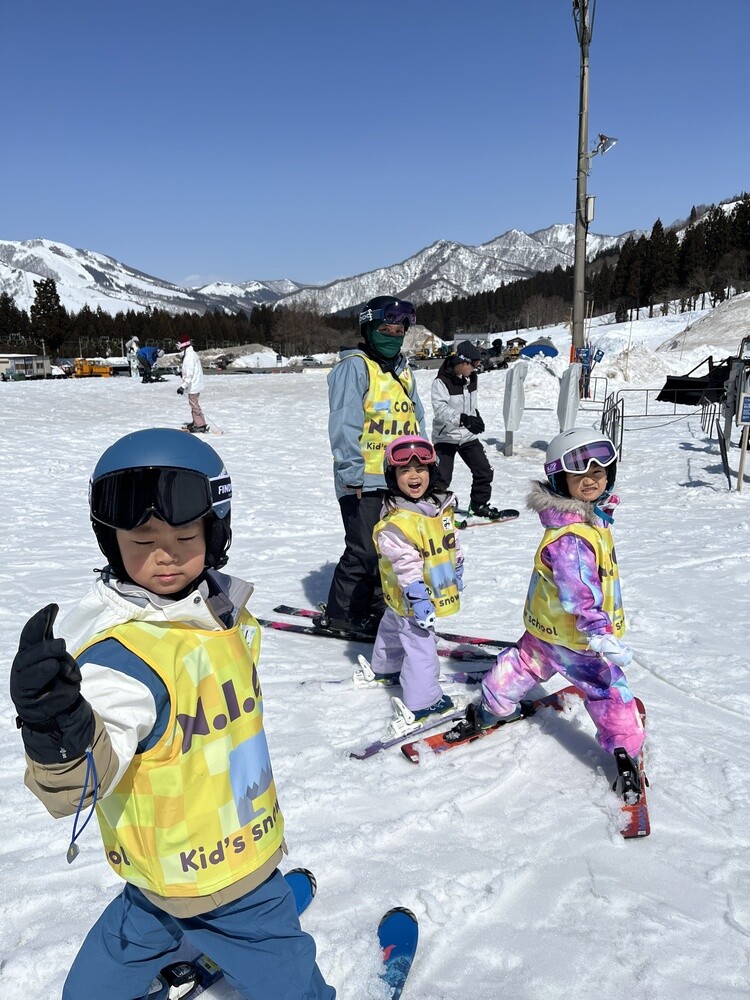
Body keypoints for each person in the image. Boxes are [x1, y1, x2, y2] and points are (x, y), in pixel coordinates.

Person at [9, 428, 334, 1000]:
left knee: (289, 983)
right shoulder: (122, 659)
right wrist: (58, 730)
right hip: (155, 883)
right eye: (140, 541)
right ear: (112, 545)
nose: (165, 555)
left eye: (186, 535)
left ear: (216, 531)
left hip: (243, 878)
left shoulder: (223, 614)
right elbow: (78, 788)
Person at [446, 427, 645, 774]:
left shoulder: (578, 520)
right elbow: (579, 589)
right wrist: (598, 632)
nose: (590, 480)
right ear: (559, 479)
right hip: (579, 639)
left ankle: (491, 708)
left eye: (598, 472)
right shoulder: (574, 537)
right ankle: (625, 747)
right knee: (605, 687)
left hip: (543, 631)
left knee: (521, 664)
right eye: (579, 474)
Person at [315, 295, 426, 638]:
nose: (392, 335)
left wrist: (423, 468)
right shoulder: (355, 366)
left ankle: (378, 604)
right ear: (368, 329)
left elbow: (416, 420)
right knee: (363, 548)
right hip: (363, 477)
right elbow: (344, 423)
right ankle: (343, 613)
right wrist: (351, 472)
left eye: (398, 330)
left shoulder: (403, 370)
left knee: (391, 548)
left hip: (399, 478)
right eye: (385, 329)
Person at [360, 435, 465, 737]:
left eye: (421, 469)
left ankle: (386, 666)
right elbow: (405, 564)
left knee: (393, 625)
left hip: (404, 599)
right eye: (405, 471)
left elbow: (449, 541)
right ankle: (424, 701)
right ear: (393, 477)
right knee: (421, 645)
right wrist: (418, 597)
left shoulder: (436, 508)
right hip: (413, 595)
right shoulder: (398, 522)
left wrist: (457, 565)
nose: (414, 476)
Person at [431, 340, 505, 519]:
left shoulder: (472, 378)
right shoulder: (441, 382)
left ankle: (478, 505)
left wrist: (476, 418)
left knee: (484, 471)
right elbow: (440, 410)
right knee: (442, 477)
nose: (476, 369)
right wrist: (464, 419)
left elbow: (470, 405)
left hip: (467, 437)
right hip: (446, 437)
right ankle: (433, 508)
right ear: (463, 362)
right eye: (474, 365)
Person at [176, 335, 208, 433]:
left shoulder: (189, 357)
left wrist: (182, 386)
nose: (178, 348)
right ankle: (196, 421)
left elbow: (189, 373)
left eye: (179, 346)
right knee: (193, 403)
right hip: (195, 383)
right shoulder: (191, 354)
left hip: (194, 384)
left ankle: (200, 425)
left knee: (194, 404)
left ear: (183, 346)